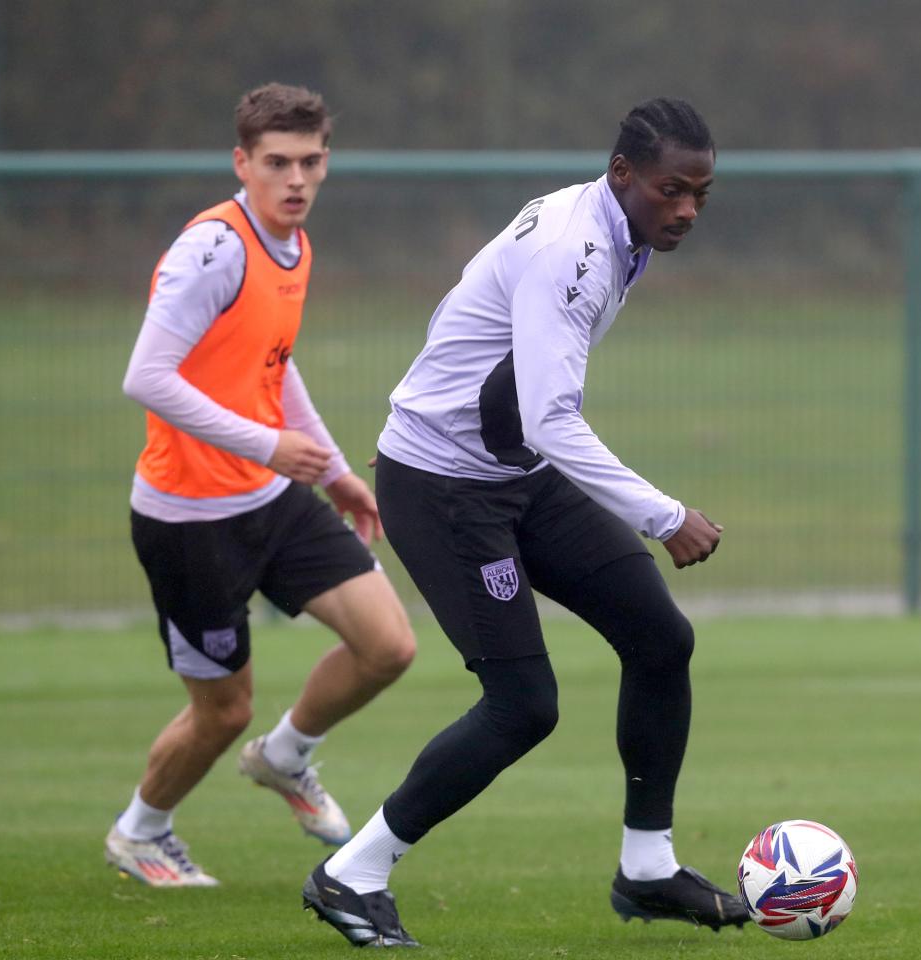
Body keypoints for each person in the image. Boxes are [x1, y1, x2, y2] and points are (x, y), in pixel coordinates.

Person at [301, 97, 748, 947]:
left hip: (514, 475)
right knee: (522, 705)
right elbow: (549, 419)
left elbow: (491, 358)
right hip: (445, 488)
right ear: (623, 175)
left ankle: (648, 869)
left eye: (701, 193)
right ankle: (350, 874)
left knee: (660, 640)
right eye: (671, 190)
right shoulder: (572, 253)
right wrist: (665, 516)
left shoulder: (612, 226)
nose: (687, 209)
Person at [107, 83, 416, 887]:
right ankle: (141, 832)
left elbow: (272, 368)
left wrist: (336, 468)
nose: (296, 179)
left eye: (311, 161)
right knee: (223, 711)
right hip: (188, 520)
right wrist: (268, 446)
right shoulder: (214, 248)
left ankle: (285, 758)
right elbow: (146, 376)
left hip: (269, 500)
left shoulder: (294, 245)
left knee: (388, 645)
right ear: (242, 162)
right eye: (277, 163)